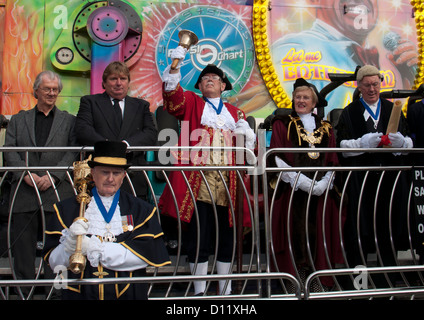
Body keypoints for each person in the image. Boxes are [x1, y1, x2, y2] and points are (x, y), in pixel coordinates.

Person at [158, 46, 256, 296]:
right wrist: (175, 64)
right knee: (199, 238)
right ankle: (199, 291)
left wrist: (247, 136)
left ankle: (225, 290)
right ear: (200, 87)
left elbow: (246, 150)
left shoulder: (237, 113)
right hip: (198, 183)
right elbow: (172, 97)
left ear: (223, 86)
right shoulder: (191, 102)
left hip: (229, 185)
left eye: (215, 79)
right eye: (204, 79)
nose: (209, 81)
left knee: (227, 240)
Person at [43, 140, 170, 300]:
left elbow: (142, 258)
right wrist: (69, 247)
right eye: (104, 172)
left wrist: (96, 249)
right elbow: (55, 264)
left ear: (123, 176)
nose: (110, 179)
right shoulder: (66, 210)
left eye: (116, 173)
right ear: (93, 173)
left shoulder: (141, 210)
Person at [336, 65, 413, 286]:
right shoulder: (348, 113)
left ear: (381, 84)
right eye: (367, 85)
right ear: (359, 86)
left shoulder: (393, 109)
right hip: (360, 184)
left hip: (389, 183)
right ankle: (359, 282)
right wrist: (362, 144)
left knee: (387, 229)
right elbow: (341, 146)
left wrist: (402, 144)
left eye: (375, 84)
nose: (372, 89)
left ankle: (387, 280)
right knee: (358, 232)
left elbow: (409, 142)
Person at [3, 70, 77, 296]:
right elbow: (9, 152)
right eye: (47, 89)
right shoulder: (18, 119)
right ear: (36, 91)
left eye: (55, 90)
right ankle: (23, 291)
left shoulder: (69, 121)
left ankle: (57, 291)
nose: (52, 93)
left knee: (58, 247)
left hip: (56, 193)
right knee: (23, 247)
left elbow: (73, 152)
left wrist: (53, 175)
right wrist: (25, 174)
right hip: (24, 193)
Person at [268, 78, 343, 290]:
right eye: (298, 97)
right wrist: (302, 182)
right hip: (292, 193)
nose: (301, 101)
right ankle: (295, 282)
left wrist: (323, 183)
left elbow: (332, 160)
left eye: (306, 98)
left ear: (314, 102)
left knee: (318, 237)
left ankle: (319, 281)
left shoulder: (326, 127)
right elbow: (277, 156)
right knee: (295, 236)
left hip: (320, 195)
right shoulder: (282, 123)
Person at [75, 61, 157, 199]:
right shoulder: (90, 102)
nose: (119, 83)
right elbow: (82, 130)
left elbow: (151, 133)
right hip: (99, 179)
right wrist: (109, 147)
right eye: (113, 79)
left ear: (128, 82)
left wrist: (126, 145)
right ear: (104, 83)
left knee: (131, 220)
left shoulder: (141, 105)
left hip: (133, 178)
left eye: (123, 79)